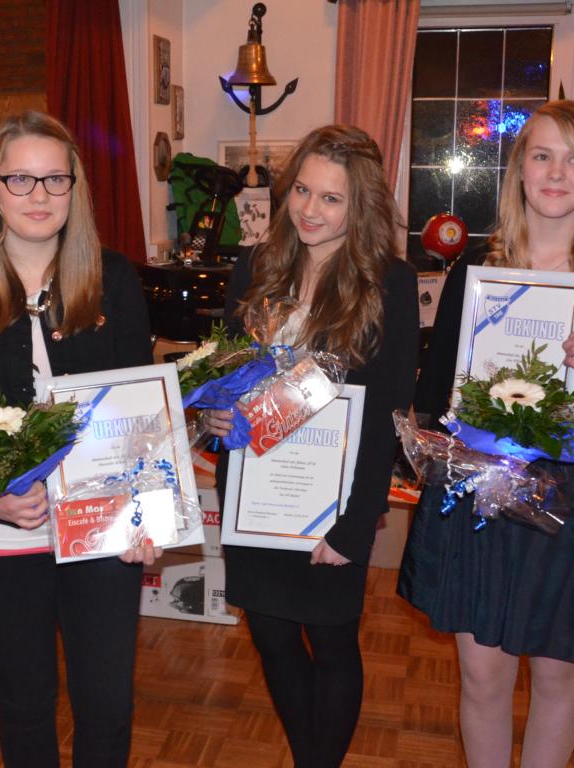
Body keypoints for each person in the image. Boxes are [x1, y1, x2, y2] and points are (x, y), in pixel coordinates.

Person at [397, 100, 574, 768]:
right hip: (479, 491)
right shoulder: (477, 273)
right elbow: (432, 400)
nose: (556, 172)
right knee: (483, 675)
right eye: (542, 155)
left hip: (567, 498)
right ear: (519, 170)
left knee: (556, 673)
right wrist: (440, 438)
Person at [0, 110, 156, 767]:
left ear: (75, 189)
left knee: (107, 704)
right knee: (26, 702)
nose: (39, 196)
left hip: (101, 528)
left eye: (55, 179)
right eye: (20, 179)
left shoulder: (117, 280)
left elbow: (141, 412)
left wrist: (148, 513)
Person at [204, 124, 419, 767]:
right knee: (269, 638)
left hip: (331, 507)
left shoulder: (390, 282)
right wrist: (215, 413)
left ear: (361, 208)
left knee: (331, 645)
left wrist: (354, 527)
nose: (309, 209)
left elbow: (385, 412)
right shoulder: (254, 266)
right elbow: (223, 370)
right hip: (255, 496)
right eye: (302, 189)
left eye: (331, 198)